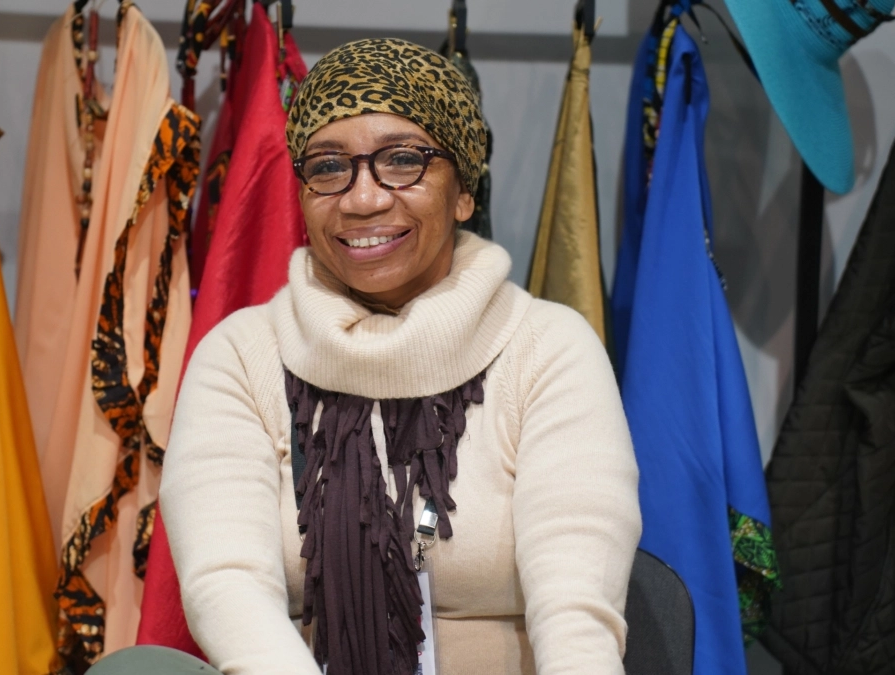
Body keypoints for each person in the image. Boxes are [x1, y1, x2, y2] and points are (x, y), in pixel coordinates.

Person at [160, 38, 641, 675]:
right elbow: (227, 587)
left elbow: (577, 617)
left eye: (403, 161)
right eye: (328, 167)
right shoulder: (241, 358)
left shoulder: (548, 348)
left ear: (464, 192)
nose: (363, 199)